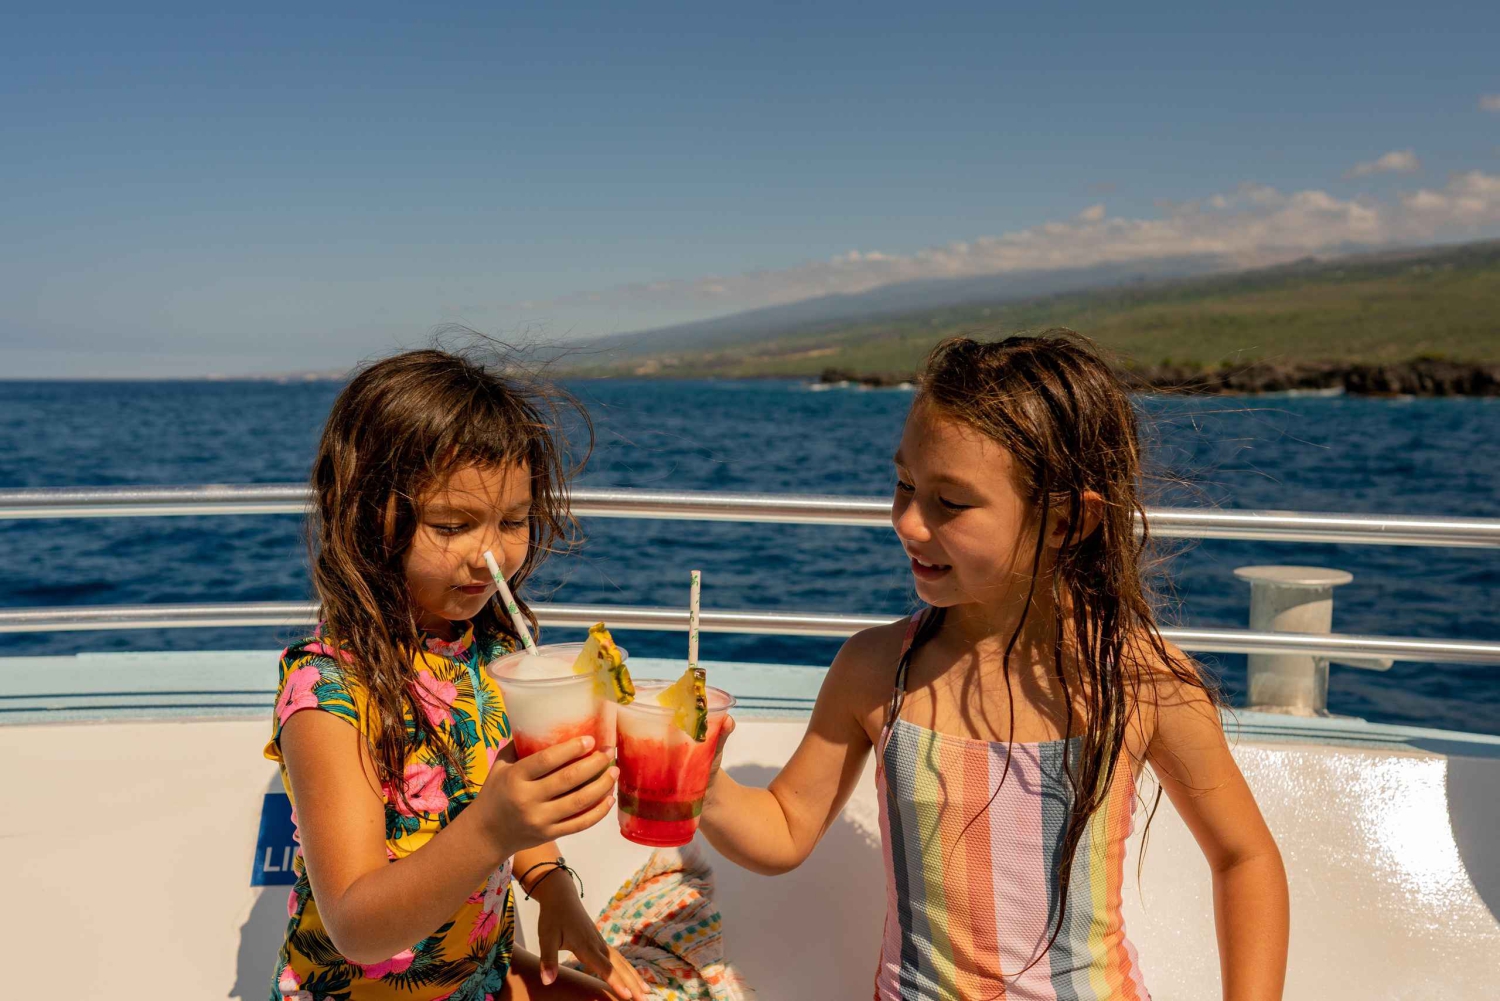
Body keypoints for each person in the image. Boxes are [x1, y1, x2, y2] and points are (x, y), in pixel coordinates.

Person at [700, 332, 1290, 1000]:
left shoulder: (1140, 681)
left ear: (1066, 522)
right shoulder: (875, 669)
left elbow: (1244, 857)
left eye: (950, 502)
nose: (908, 523)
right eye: (904, 484)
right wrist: (701, 783)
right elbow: (784, 826)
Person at [266, 348, 646, 1001]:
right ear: (367, 514)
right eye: (452, 525)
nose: (490, 554)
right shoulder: (328, 693)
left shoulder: (495, 651)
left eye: (514, 521)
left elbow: (512, 803)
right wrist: (491, 828)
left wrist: (553, 887)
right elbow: (357, 926)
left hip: (479, 980)